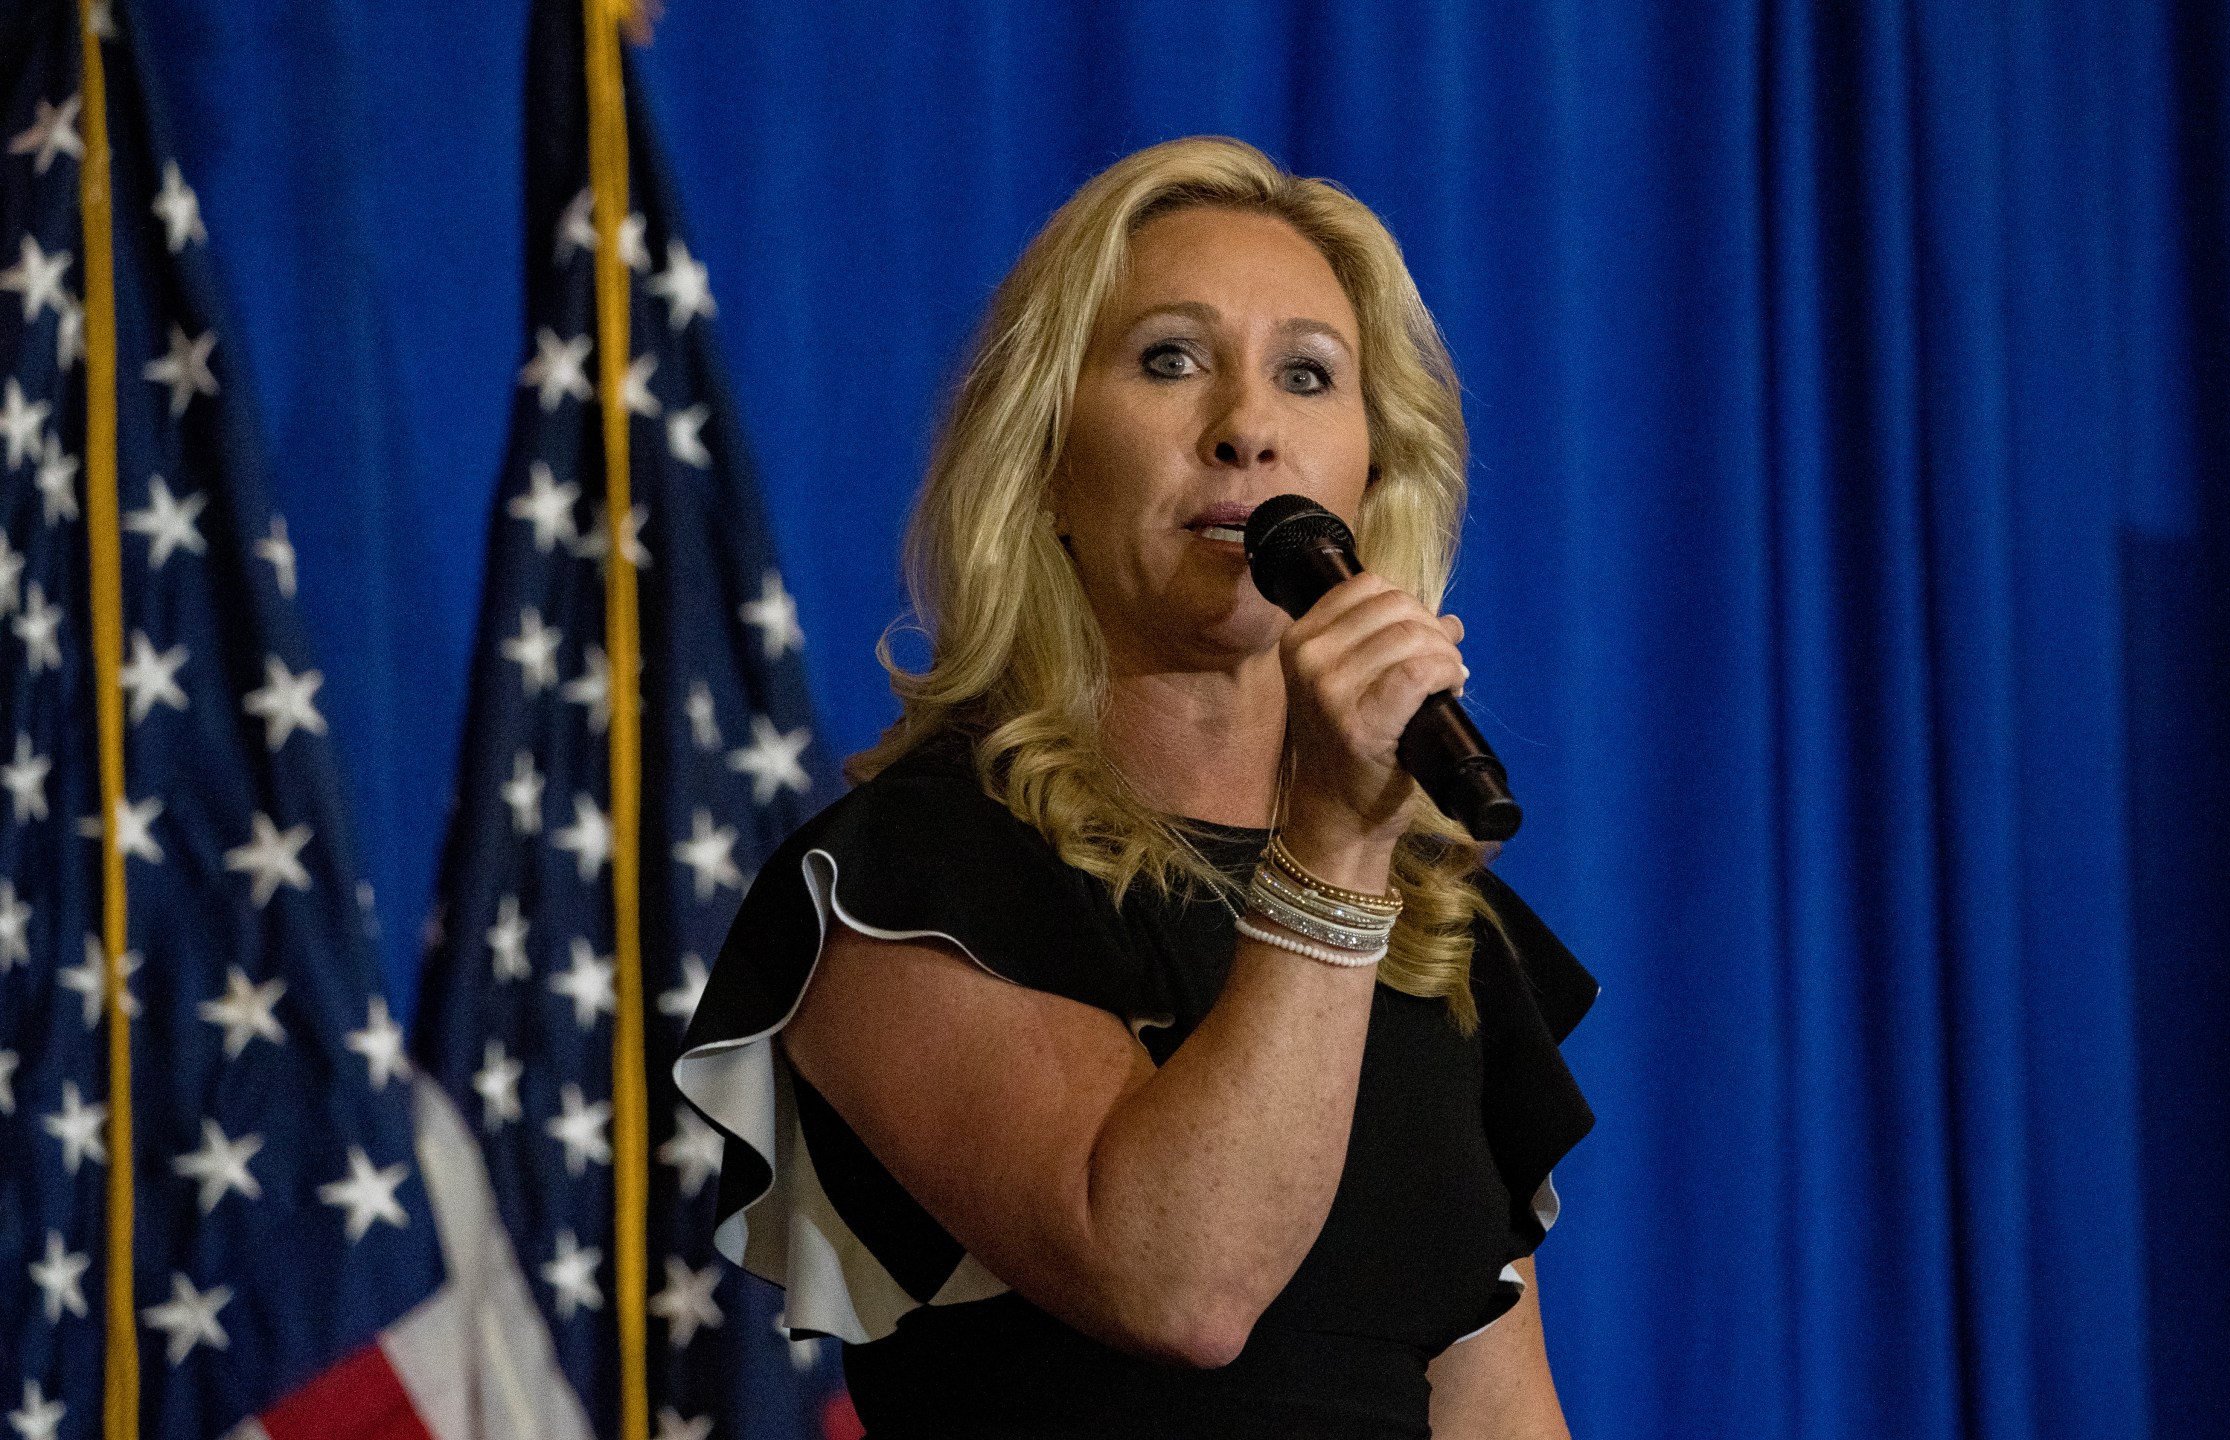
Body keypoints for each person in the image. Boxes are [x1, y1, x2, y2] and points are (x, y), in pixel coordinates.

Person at [674, 135, 1595, 1439]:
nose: (1247, 428)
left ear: (1373, 475)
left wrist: (1357, 853)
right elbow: (1180, 1284)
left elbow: (1498, 1415)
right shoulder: (905, 887)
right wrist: (1333, 847)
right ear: (1044, 458)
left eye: (1308, 376)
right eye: (1171, 359)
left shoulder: (1441, 931)